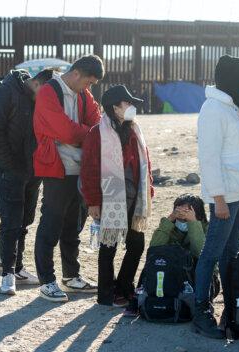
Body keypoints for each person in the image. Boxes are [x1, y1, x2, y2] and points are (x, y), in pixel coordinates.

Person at [193, 55, 239, 339]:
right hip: (225, 195)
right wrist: (218, 199)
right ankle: (201, 310)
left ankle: (231, 308)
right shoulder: (213, 110)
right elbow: (208, 158)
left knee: (230, 252)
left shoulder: (234, 107)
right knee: (212, 252)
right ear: (236, 82)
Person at [32, 55, 103, 302]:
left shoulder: (83, 94)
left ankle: (71, 275)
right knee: (50, 224)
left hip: (78, 169)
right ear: (76, 74)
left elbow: (97, 125)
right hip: (56, 168)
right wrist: (83, 134)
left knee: (73, 225)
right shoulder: (49, 91)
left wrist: (78, 135)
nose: (89, 88)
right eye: (88, 82)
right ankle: (46, 281)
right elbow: (65, 130)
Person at [0, 68, 54, 293]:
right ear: (38, 84)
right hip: (10, 171)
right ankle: (6, 274)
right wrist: (9, 166)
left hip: (32, 171)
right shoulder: (6, 92)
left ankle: (18, 268)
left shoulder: (35, 97)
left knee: (26, 221)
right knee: (10, 222)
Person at [81, 85, 153, 307]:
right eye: (127, 103)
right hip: (110, 198)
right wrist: (93, 201)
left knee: (136, 244)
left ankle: (124, 286)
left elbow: (145, 163)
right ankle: (105, 294)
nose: (131, 106)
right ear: (115, 107)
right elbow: (89, 169)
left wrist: (148, 190)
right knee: (109, 246)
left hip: (134, 197)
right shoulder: (97, 134)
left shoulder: (134, 131)